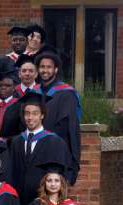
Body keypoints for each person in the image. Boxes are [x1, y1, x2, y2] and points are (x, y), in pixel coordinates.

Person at [7, 92, 73, 205]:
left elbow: (63, 175)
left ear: (42, 115)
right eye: (27, 113)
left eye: (35, 113)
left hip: (44, 203)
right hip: (18, 203)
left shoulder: (55, 142)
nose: (30, 117)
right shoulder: (16, 142)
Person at [36, 51, 81, 185]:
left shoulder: (66, 93)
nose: (45, 70)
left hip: (57, 152)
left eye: (49, 67)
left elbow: (66, 126)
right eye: (42, 67)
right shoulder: (34, 92)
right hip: (35, 151)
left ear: (55, 69)